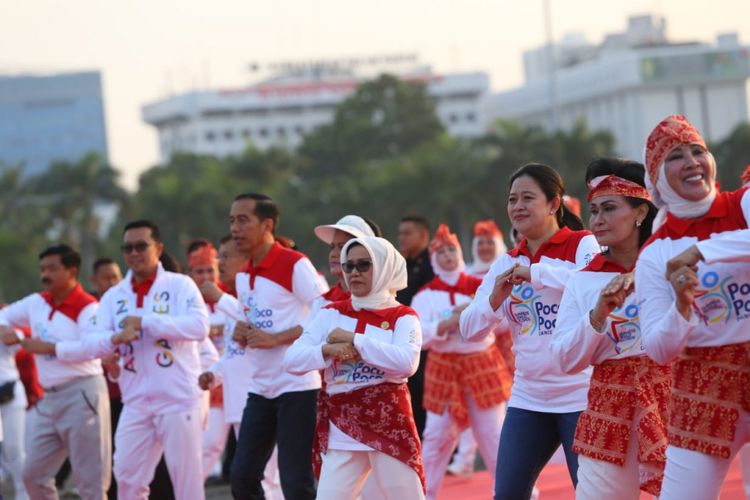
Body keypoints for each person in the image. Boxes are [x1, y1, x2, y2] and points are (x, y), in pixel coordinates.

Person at [460, 163, 600, 499]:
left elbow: (592, 288)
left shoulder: (584, 244)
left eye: (527, 198)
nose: (517, 206)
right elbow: (470, 330)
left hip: (581, 395)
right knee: (507, 494)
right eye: (512, 200)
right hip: (529, 398)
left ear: (554, 204)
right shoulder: (505, 262)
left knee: (594, 494)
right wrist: (493, 299)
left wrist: (535, 273)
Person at [634, 115, 750, 499]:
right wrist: (681, 307)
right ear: (658, 178)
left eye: (697, 151)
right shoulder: (655, 255)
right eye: (675, 156)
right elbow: (658, 348)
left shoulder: (744, 204)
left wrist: (702, 251)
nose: (692, 162)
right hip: (704, 384)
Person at [54, 220, 210, 500]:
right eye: (127, 248)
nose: (134, 253)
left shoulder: (180, 285)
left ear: (158, 248)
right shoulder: (114, 296)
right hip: (136, 402)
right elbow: (89, 342)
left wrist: (147, 322)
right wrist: (115, 339)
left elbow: (200, 327)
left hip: (178, 399)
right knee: (126, 478)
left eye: (141, 246)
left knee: (186, 482)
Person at [550, 158, 668, 498]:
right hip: (608, 403)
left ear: (640, 212)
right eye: (594, 211)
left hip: (670, 395)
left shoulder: (666, 264)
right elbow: (564, 359)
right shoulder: (583, 281)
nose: (598, 220)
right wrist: (597, 314)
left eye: (609, 208)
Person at [284, 236, 425, 499]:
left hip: (388, 423)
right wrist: (326, 350)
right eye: (348, 266)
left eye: (364, 265)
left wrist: (356, 341)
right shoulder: (330, 313)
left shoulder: (403, 316)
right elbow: (291, 360)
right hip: (343, 425)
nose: (354, 273)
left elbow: (407, 363)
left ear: (384, 266)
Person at [228, 193, 326, 500]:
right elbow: (256, 320)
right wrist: (243, 331)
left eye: (243, 220)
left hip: (298, 386)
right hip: (260, 387)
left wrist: (278, 337)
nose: (235, 229)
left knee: (295, 481)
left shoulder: (295, 264)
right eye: (232, 221)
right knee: (242, 476)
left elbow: (327, 311)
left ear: (267, 224)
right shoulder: (243, 274)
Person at [0, 244, 111, 500]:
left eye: (52, 268)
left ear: (72, 271)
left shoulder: (88, 307)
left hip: (82, 393)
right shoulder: (37, 301)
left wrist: (49, 347)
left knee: (90, 482)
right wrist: (9, 331)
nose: (45, 274)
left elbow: (91, 348)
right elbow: (4, 316)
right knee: (32, 476)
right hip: (49, 399)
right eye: (42, 269)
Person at [413, 224, 511, 500]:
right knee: (436, 437)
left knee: (493, 435)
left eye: (451, 249)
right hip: (444, 367)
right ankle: (424, 494)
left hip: (481, 363)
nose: (447, 255)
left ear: (459, 252)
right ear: (434, 259)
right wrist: (444, 326)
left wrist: (473, 316)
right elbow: (418, 336)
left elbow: (503, 324)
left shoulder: (481, 287)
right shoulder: (425, 295)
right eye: (441, 251)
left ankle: (514, 492)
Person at [198, 236, 282, 498]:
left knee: (268, 478)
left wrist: (220, 297)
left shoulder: (258, 294)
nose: (220, 262)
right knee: (250, 477)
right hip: (239, 405)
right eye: (219, 256)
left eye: (226, 256)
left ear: (248, 258)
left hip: (263, 399)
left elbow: (266, 325)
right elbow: (234, 353)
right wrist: (214, 374)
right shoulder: (234, 300)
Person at [184, 239, 232, 481]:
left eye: (209, 270)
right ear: (189, 273)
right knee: (209, 444)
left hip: (238, 377)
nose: (205, 276)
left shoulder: (230, 295)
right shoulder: (186, 303)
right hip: (204, 381)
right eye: (198, 271)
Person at [396, 215, 434, 438]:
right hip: (403, 338)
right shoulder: (401, 265)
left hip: (426, 340)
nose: (402, 237)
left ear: (423, 235)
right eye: (400, 233)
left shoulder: (432, 264)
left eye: (407, 233)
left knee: (426, 396)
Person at [90, 258, 124, 500]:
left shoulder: (127, 304)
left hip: (129, 394)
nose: (112, 282)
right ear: (94, 280)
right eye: (107, 277)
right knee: (105, 452)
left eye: (116, 276)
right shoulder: (90, 309)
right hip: (101, 394)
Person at [311, 215, 377, 314]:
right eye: (332, 247)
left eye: (342, 247)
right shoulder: (321, 301)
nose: (333, 254)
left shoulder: (379, 301)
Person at [0, 309, 27, 500]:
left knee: (14, 449)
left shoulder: (3, 321)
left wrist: (11, 333)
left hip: (9, 395)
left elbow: (20, 336)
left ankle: (24, 495)